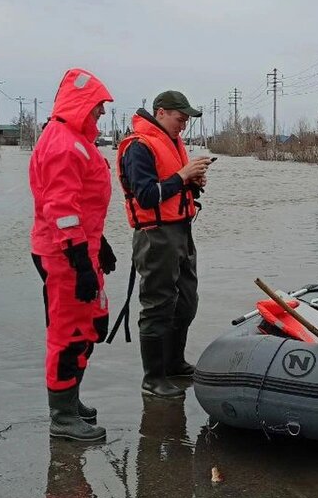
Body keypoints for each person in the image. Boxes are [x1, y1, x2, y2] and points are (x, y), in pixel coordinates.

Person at [29, 68, 117, 442]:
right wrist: (80, 262)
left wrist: (101, 244)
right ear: (80, 105)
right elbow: (62, 209)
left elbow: (82, 206)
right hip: (65, 254)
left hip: (80, 247)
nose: (100, 116)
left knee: (92, 323)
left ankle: (70, 398)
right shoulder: (63, 144)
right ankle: (62, 415)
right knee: (68, 332)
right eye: (97, 109)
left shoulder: (74, 140)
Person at [113, 91, 212, 399]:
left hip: (181, 231)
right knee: (157, 305)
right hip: (155, 236)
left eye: (186, 121)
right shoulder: (138, 147)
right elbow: (145, 195)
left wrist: (191, 182)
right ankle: (153, 378)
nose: (183, 126)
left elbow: (170, 186)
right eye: (180, 119)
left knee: (186, 301)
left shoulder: (171, 142)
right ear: (161, 112)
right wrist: (182, 176)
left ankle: (174, 363)